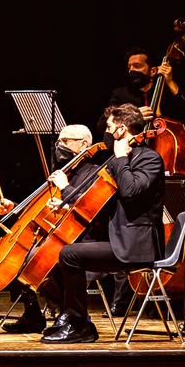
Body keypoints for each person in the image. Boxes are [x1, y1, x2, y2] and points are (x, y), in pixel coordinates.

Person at [37, 104, 166, 344]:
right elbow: (100, 201)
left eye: (109, 127)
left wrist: (120, 158)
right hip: (118, 239)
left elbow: (130, 192)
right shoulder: (120, 160)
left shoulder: (150, 159)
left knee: (70, 254)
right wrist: (67, 201)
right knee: (59, 253)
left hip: (136, 245)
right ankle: (72, 317)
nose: (106, 132)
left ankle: (79, 323)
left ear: (122, 128)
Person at [0, 124, 99, 333]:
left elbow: (88, 210)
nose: (60, 146)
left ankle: (67, 313)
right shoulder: (66, 172)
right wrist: (14, 208)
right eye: (59, 141)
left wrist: (64, 189)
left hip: (84, 239)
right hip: (61, 235)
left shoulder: (93, 173)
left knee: (38, 257)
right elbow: (44, 210)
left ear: (84, 144)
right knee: (20, 253)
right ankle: (32, 314)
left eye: (65, 141)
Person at [101, 46, 185, 127]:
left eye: (137, 66)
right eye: (129, 67)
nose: (131, 71)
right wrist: (132, 117)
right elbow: (102, 124)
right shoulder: (121, 95)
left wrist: (170, 82)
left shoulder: (165, 93)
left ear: (153, 71)